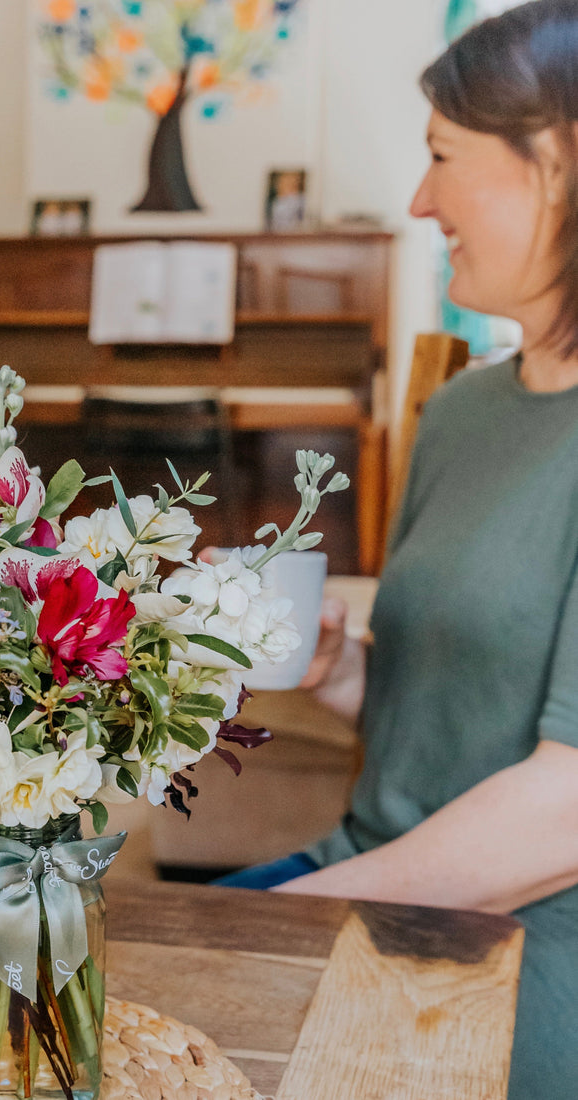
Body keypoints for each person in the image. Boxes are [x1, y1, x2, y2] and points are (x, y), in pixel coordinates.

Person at [216, 3, 578, 1095]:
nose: (418, 201)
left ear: (555, 164)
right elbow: (451, 718)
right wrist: (342, 675)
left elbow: (562, 810)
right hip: (368, 876)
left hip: (521, 946)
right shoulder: (461, 411)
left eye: (439, 159)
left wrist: (266, 924)